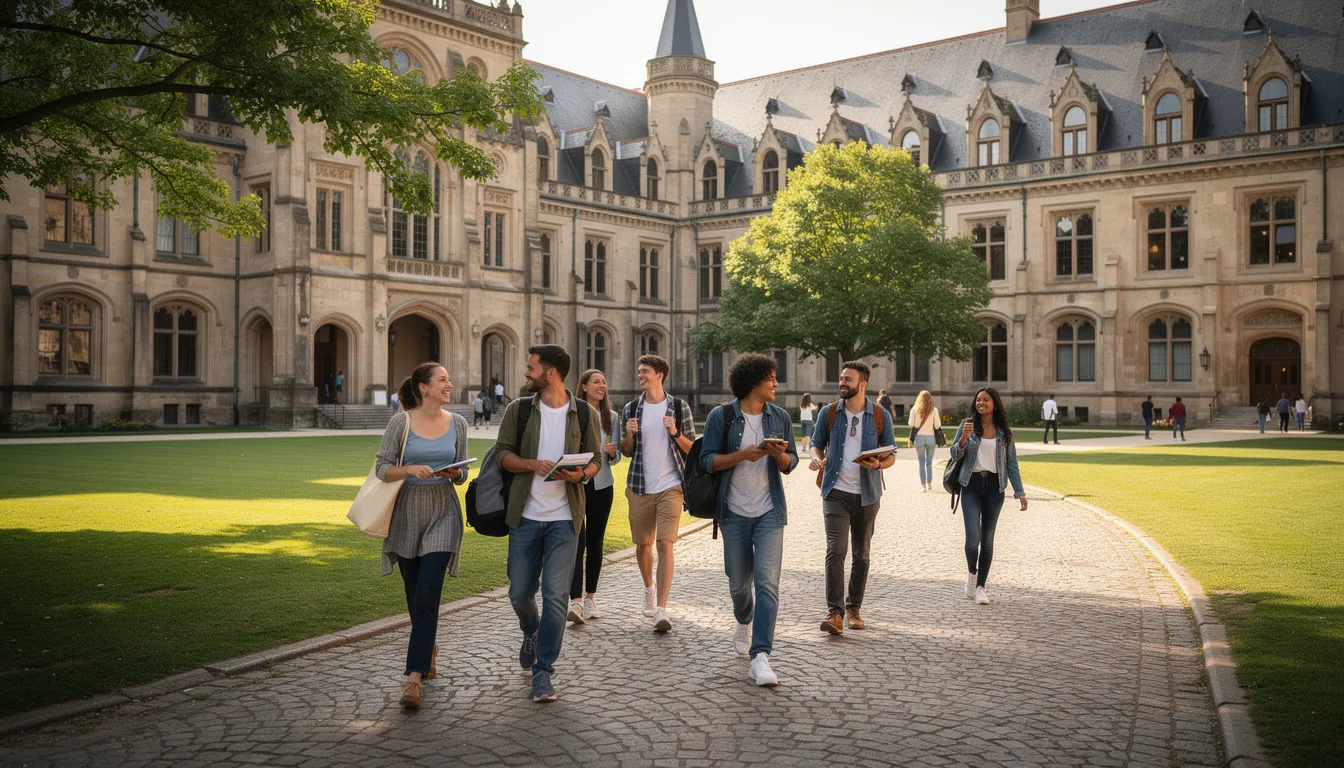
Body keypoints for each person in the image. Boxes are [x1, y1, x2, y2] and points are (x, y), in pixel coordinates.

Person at [495, 345, 602, 703]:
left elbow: (597, 461)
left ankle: (543, 670)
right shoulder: (519, 410)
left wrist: (581, 473)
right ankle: (532, 630)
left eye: (531, 368)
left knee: (557, 596)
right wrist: (532, 465)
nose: (526, 373)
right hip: (524, 517)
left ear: (551, 373)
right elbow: (502, 455)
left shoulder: (585, 414)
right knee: (520, 592)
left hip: (564, 521)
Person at [373, 362, 470, 709]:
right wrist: (411, 469)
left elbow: (463, 471)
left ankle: (413, 679)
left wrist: (456, 473)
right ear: (424, 388)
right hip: (406, 511)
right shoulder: (401, 422)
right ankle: (427, 646)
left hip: (443, 509)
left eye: (448, 379)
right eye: (442, 379)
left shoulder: (458, 423)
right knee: (415, 597)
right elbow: (382, 467)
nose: (449, 384)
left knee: (428, 594)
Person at [699, 354, 797, 687]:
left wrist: (777, 453)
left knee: (767, 583)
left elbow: (790, 463)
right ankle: (743, 618)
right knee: (739, 582)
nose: (775, 383)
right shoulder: (721, 416)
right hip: (734, 511)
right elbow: (708, 461)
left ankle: (761, 656)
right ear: (754, 382)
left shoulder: (780, 417)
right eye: (771, 378)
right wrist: (744, 454)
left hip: (770, 510)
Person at [809, 361, 896, 635]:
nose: (842, 383)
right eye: (841, 378)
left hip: (868, 494)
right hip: (835, 491)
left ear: (863, 384)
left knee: (862, 554)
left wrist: (879, 465)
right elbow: (816, 443)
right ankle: (834, 613)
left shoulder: (880, 416)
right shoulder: (829, 413)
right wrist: (816, 459)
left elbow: (891, 455)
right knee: (836, 550)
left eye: (848, 379)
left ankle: (853, 607)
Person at [620, 354, 696, 633]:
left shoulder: (679, 406)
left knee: (665, 544)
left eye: (645, 372)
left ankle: (661, 609)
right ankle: (649, 588)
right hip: (640, 485)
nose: (640, 376)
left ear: (660, 375)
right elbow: (626, 450)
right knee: (643, 545)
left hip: (671, 485)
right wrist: (628, 435)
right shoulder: (630, 408)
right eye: (639, 371)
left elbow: (692, 449)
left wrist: (675, 432)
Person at [949, 387, 1028, 605]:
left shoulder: (1004, 432)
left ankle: (981, 587)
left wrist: (1019, 492)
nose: (980, 403)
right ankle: (971, 576)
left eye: (985, 400)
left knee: (988, 539)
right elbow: (954, 454)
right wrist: (963, 440)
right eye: (978, 400)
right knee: (973, 537)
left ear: (994, 404)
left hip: (995, 488)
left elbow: (1012, 465)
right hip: (971, 486)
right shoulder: (967, 426)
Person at [567, 369, 621, 625]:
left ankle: (590, 597)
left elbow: (618, 455)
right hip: (577, 484)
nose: (602, 385)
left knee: (596, 542)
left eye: (604, 381)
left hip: (602, 484)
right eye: (597, 381)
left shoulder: (612, 417)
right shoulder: (573, 414)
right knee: (577, 540)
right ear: (584, 386)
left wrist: (612, 454)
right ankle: (575, 601)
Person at [908, 390, 941, 493]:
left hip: (919, 438)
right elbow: (937, 425)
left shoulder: (914, 409)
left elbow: (911, 424)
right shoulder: (934, 410)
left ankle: (923, 486)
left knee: (921, 463)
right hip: (931, 438)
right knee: (929, 463)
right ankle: (930, 483)